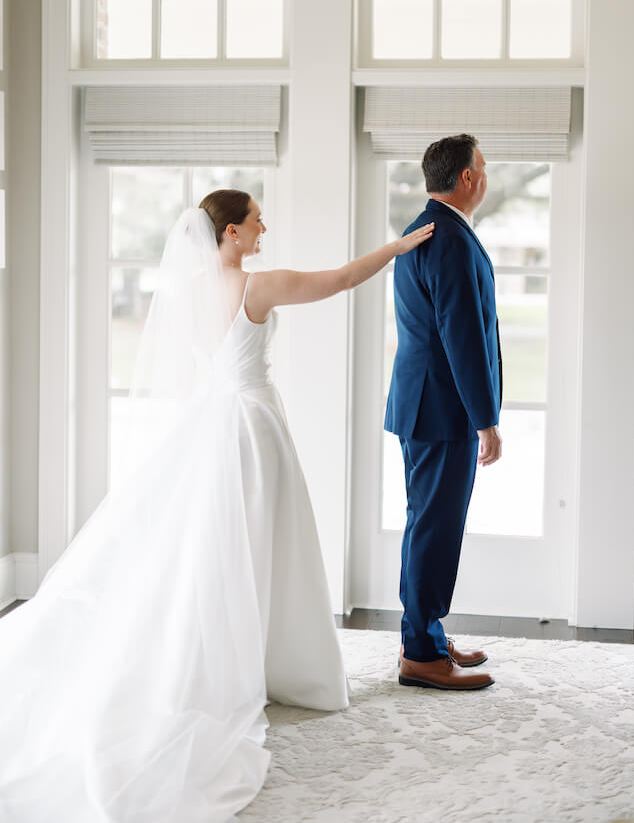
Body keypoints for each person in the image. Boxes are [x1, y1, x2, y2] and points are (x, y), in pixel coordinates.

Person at [0, 190, 434, 822]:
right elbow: (339, 280)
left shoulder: (188, 291)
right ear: (231, 232)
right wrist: (398, 247)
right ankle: (257, 663)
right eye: (258, 219)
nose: (265, 226)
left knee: (209, 550)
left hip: (207, 422)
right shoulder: (254, 287)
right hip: (250, 425)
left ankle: (229, 652)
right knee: (257, 545)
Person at [385, 134, 503, 692]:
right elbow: (463, 337)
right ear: (465, 178)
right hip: (441, 409)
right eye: (483, 167)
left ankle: (425, 635)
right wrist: (486, 419)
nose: (486, 176)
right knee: (435, 527)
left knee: (426, 523)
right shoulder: (449, 238)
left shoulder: (423, 228)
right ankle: (421, 654)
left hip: (421, 403)